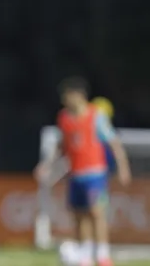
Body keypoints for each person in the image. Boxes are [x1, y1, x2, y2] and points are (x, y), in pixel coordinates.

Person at [34, 77, 131, 266]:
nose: (64, 100)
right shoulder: (64, 118)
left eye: (67, 96)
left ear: (78, 95)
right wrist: (48, 164)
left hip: (94, 173)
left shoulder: (96, 116)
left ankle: (103, 255)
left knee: (96, 213)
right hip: (75, 174)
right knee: (78, 215)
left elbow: (114, 142)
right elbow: (62, 146)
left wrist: (123, 168)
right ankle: (85, 255)